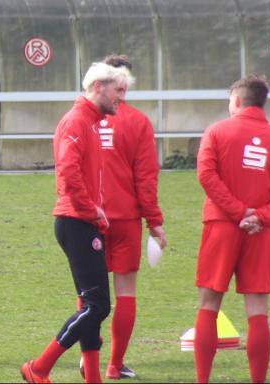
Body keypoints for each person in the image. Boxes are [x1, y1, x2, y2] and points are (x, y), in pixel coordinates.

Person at [21, 62, 129, 384]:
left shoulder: (92, 122)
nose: (121, 97)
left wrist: (94, 210)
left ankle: (92, 378)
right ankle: (38, 368)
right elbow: (67, 173)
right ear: (98, 87)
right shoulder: (78, 121)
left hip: (81, 220)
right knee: (98, 306)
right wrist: (91, 209)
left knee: (88, 302)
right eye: (117, 90)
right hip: (75, 221)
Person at [193, 75, 270, 383]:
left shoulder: (216, 131)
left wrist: (238, 212)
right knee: (258, 310)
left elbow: (206, 175)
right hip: (260, 232)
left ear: (237, 101)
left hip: (221, 226)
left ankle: (202, 379)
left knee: (209, 303)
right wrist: (262, 216)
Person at [95, 54, 167, 380]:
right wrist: (154, 222)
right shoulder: (138, 122)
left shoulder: (82, 116)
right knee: (125, 290)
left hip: (88, 217)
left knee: (90, 292)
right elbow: (146, 179)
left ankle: (88, 357)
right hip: (125, 218)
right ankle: (113, 364)